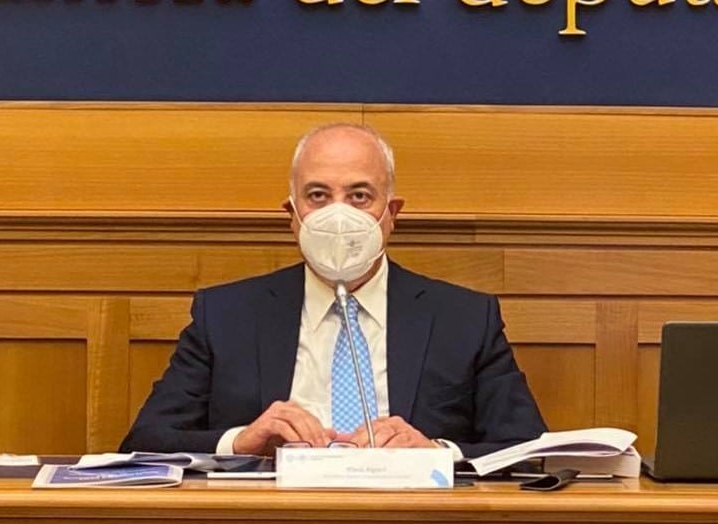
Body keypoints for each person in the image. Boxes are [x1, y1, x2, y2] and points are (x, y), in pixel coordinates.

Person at [121, 123, 546, 459]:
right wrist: (240, 441)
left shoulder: (464, 320)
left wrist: (436, 452)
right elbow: (145, 441)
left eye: (359, 196)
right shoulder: (225, 315)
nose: (338, 215)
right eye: (318, 196)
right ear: (292, 215)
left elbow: (530, 450)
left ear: (391, 214)